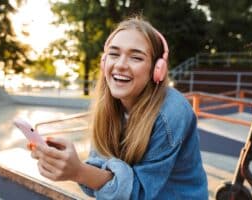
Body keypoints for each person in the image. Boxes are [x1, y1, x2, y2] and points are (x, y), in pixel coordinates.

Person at [29, 16, 208, 199]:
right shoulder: (109, 106)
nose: (120, 65)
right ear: (104, 62)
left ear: (157, 69)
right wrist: (67, 163)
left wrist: (78, 172)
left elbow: (137, 194)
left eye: (136, 57)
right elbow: (100, 181)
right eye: (114, 54)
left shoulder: (172, 114)